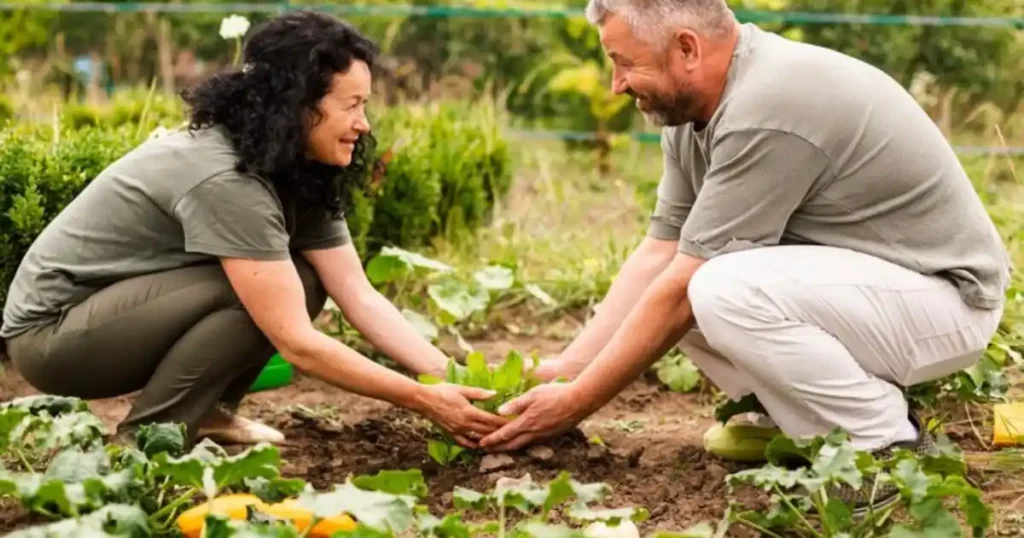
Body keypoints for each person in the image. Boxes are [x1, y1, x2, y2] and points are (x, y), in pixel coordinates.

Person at [479, 0, 1012, 511]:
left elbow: (683, 286)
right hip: (868, 295)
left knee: (712, 287)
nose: (616, 84)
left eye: (624, 63)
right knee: (682, 282)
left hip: (945, 302)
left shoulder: (769, 105)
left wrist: (577, 403)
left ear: (686, 48)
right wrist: (567, 370)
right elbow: (659, 255)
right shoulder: (692, 113)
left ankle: (882, 442)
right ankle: (795, 414)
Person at [0, 10, 506, 448]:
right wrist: (424, 400)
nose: (365, 124)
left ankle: (208, 412)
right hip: (56, 338)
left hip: (119, 313)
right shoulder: (226, 177)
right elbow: (298, 344)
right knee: (259, 297)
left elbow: (357, 293)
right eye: (351, 105)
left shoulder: (296, 167)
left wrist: (461, 382)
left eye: (365, 105)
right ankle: (150, 438)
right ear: (296, 105)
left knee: (305, 281)